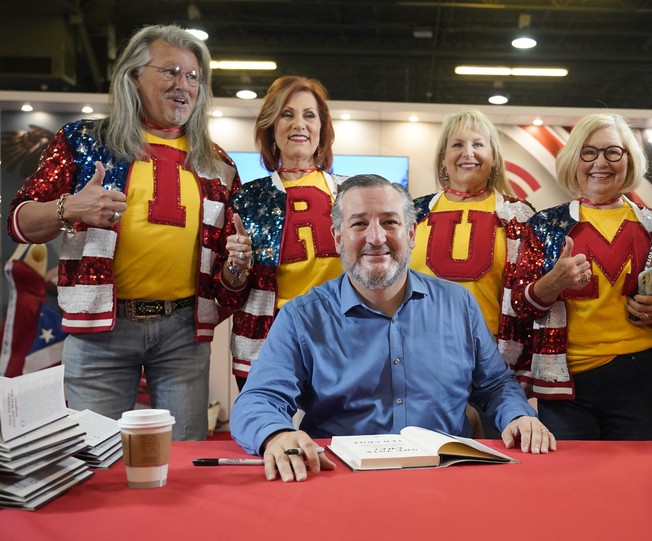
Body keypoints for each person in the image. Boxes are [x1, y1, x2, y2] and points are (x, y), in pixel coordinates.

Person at [230, 174, 556, 482]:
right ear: (339, 238)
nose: (376, 238)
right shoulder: (302, 317)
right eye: (359, 224)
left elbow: (495, 385)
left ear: (411, 233)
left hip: (446, 477)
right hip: (340, 478)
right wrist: (276, 434)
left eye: (390, 222)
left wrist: (517, 415)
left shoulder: (459, 305)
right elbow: (259, 398)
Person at [6, 24, 241, 441]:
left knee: (182, 464)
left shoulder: (217, 163)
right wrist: (70, 207)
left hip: (184, 334)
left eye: (192, 76)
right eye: (170, 71)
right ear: (134, 75)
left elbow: (227, 265)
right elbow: (19, 221)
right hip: (101, 334)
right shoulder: (84, 140)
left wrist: (238, 264)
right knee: (95, 466)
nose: (183, 84)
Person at [509, 113, 652, 440]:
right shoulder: (544, 225)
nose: (601, 162)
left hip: (641, 373)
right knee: (572, 484)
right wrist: (553, 282)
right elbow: (520, 306)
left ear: (629, 159)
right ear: (574, 160)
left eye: (613, 152)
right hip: (566, 381)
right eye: (589, 152)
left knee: (634, 481)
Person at [411, 110, 535, 435]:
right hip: (419, 361)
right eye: (457, 145)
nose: (468, 153)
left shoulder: (519, 216)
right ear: (442, 159)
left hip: (493, 366)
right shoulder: (411, 214)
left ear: (493, 158)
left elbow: (529, 299)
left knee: (495, 467)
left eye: (478, 144)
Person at [222, 75, 345, 390]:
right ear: (271, 127)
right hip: (265, 341)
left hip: (341, 341)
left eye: (309, 115)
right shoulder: (247, 198)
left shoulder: (350, 192)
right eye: (287, 114)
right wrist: (236, 265)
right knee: (271, 435)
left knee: (335, 438)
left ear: (322, 129)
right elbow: (228, 289)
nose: (298, 124)